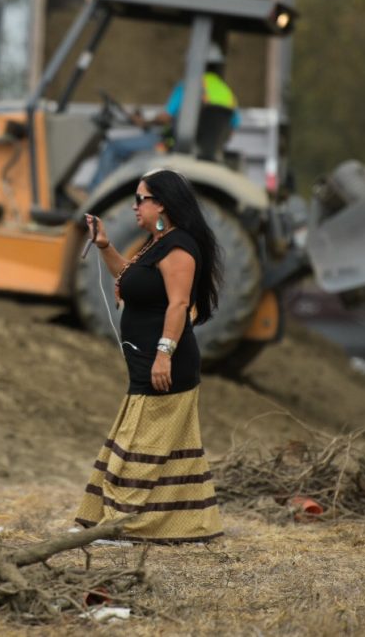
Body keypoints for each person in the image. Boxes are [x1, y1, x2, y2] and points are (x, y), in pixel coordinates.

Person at [73, 169, 224, 543]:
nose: (135, 206)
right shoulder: (157, 242)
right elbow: (128, 277)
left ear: (163, 204)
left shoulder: (179, 248)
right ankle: (189, 525)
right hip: (146, 363)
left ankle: (119, 524)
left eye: (142, 199)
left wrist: (163, 355)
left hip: (166, 364)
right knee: (157, 448)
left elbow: (178, 305)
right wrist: (106, 246)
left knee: (139, 446)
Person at [88, 43, 239, 190]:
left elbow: (166, 118)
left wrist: (144, 121)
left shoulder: (190, 86)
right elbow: (230, 131)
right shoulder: (228, 93)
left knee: (113, 147)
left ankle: (94, 191)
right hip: (204, 151)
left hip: (170, 143)